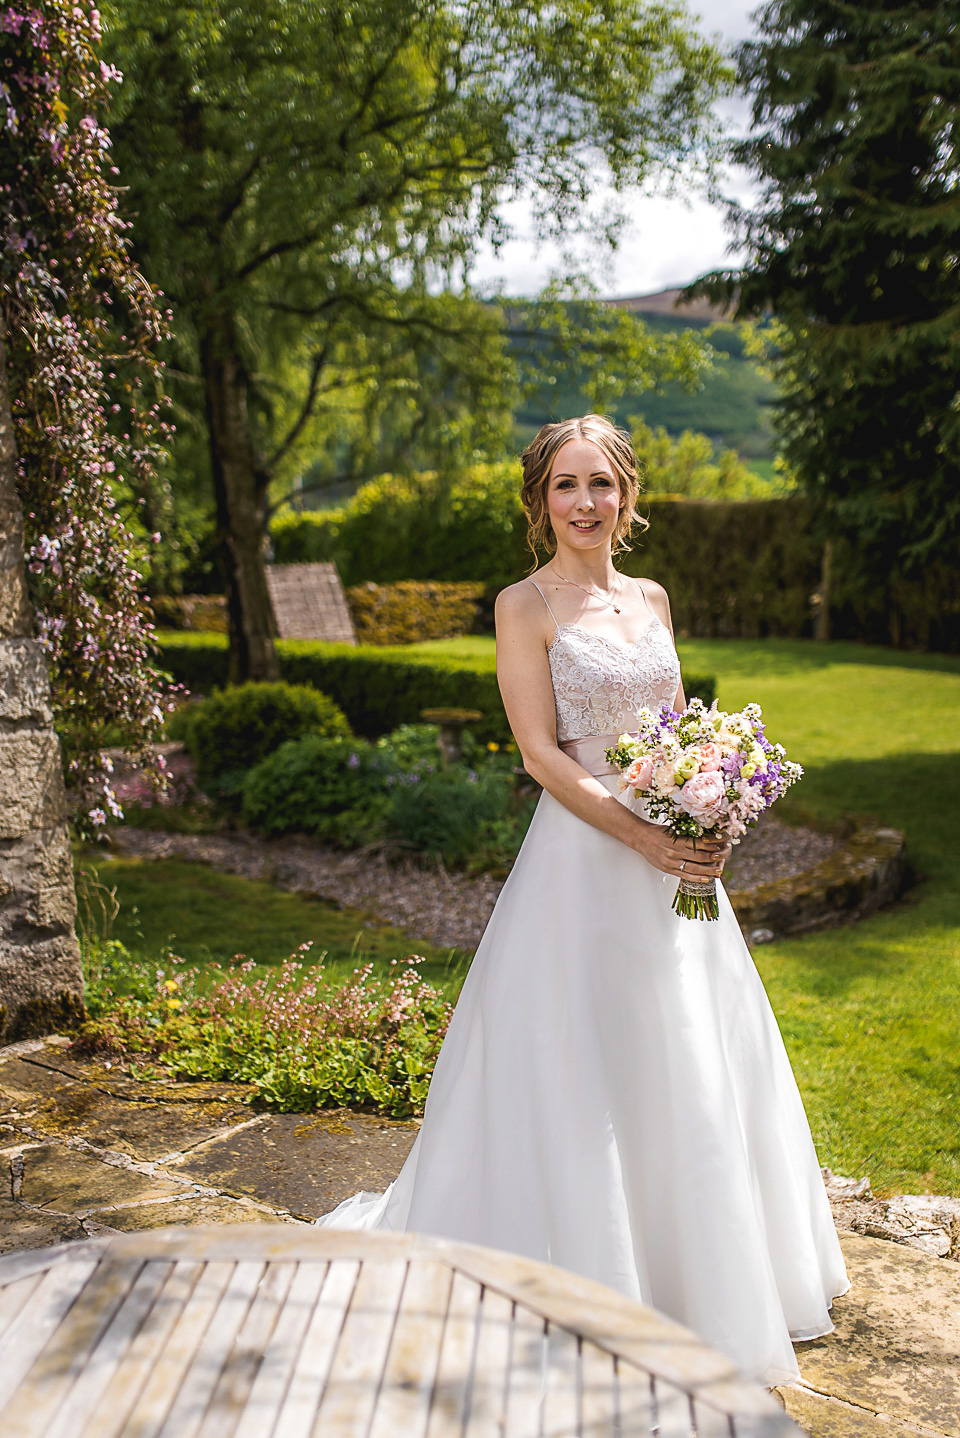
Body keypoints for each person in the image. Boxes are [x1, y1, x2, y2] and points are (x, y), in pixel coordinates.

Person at [316, 414, 849, 1389]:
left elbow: (677, 728)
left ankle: (706, 1282)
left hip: (680, 864)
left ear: (627, 495)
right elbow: (541, 753)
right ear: (540, 501)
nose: (586, 502)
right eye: (566, 485)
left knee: (689, 1050)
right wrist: (644, 834)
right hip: (584, 863)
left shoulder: (653, 597)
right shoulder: (523, 605)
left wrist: (712, 802)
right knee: (583, 1061)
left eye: (601, 483)